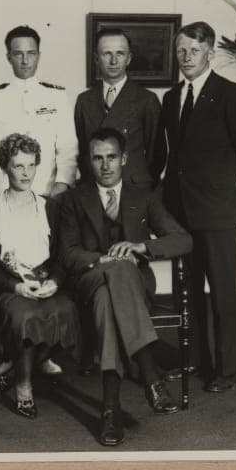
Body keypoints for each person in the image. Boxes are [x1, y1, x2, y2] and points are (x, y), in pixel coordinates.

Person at [59, 128, 192, 447]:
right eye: (97, 158)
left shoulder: (143, 197)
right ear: (88, 161)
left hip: (133, 287)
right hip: (90, 281)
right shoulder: (74, 199)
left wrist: (142, 247)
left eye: (112, 157)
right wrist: (104, 258)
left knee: (109, 299)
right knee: (112, 275)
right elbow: (67, 253)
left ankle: (110, 409)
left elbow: (183, 239)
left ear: (124, 159)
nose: (105, 165)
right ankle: (150, 375)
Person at [162, 21, 236, 392]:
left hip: (217, 212)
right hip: (180, 213)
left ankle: (228, 369)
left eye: (194, 51)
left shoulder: (231, 95)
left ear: (210, 52)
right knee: (186, 293)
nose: (187, 58)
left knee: (222, 293)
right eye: (181, 51)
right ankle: (195, 360)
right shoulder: (172, 98)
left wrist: (214, 181)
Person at [0, 134, 80, 418]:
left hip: (45, 283)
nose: (26, 173)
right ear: (4, 167)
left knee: (65, 308)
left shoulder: (49, 207)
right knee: (26, 316)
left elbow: (63, 255)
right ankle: (24, 386)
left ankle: (15, 367)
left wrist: (55, 281)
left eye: (30, 165)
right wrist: (16, 286)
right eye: (17, 166)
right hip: (10, 287)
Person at [0, 24, 78, 200]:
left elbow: (68, 149)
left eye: (31, 53)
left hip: (50, 193)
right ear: (9, 57)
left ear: (38, 56)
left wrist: (61, 187)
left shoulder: (57, 97)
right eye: (18, 54)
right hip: (7, 195)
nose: (25, 61)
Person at [74, 28, 166, 189]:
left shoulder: (146, 99)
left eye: (120, 54)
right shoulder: (84, 100)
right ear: (96, 58)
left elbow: (157, 154)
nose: (114, 61)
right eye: (107, 54)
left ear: (129, 58)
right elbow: (82, 151)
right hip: (93, 189)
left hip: (134, 189)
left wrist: (141, 182)